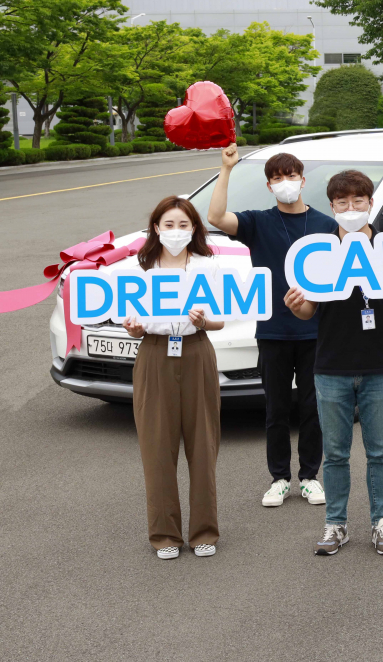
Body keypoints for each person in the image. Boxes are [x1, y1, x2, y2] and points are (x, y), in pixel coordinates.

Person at [282, 170, 383, 556]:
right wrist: (296, 307)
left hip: (379, 365)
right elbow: (308, 310)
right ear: (332, 207)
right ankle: (336, 524)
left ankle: (382, 523)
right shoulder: (320, 252)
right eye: (342, 202)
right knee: (335, 454)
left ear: (370, 203)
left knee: (379, 452)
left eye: (358, 201)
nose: (351, 209)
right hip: (331, 366)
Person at [207, 144, 338, 509]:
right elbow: (216, 216)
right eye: (277, 178)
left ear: (303, 180)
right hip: (273, 332)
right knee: (276, 411)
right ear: (269, 186)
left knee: (313, 409)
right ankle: (279, 478)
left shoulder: (327, 226)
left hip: (315, 332)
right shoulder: (257, 222)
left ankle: (310, 477)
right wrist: (226, 169)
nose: (285, 183)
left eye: (290, 176)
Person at [124, 196, 225, 559]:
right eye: (168, 224)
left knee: (203, 445)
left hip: (197, 351)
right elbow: (132, 322)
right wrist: (133, 328)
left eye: (183, 224)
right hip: (154, 354)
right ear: (156, 228)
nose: (176, 231)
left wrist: (204, 320)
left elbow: (220, 320)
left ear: (194, 228)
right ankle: (164, 534)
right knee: (156, 448)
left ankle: (204, 532)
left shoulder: (207, 267)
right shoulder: (139, 270)